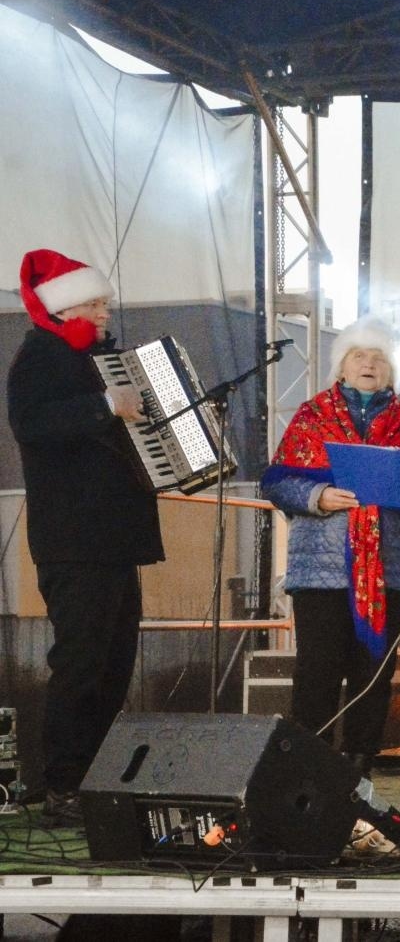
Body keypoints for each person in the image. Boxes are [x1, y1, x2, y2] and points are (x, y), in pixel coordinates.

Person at [7, 250, 161, 826]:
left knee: (115, 664)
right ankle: (63, 783)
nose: (105, 312)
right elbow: (31, 424)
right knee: (81, 663)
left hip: (115, 537)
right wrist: (104, 404)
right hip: (74, 539)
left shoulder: (98, 356)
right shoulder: (40, 356)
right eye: (96, 303)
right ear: (65, 305)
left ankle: (94, 776)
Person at [261, 316, 400, 776]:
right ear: (341, 366)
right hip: (322, 570)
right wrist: (317, 497)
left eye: (379, 357)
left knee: (373, 673)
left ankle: (360, 765)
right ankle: (308, 765)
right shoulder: (311, 416)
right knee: (317, 670)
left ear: (391, 371)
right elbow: (277, 482)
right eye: (359, 355)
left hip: (389, 567)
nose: (369, 363)